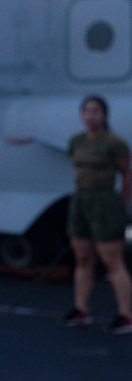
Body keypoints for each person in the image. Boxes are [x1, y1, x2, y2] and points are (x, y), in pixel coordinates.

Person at [62, 95, 132, 335]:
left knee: (112, 260)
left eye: (96, 111)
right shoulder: (76, 141)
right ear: (82, 115)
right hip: (81, 200)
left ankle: (126, 315)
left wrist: (120, 206)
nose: (91, 115)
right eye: (87, 111)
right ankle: (81, 309)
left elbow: (126, 175)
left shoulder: (114, 143)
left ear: (104, 115)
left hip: (104, 201)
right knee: (82, 257)